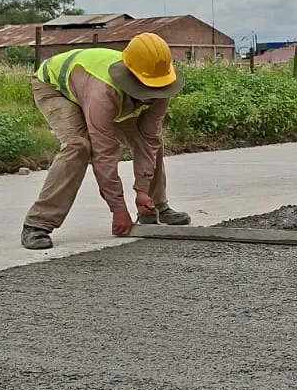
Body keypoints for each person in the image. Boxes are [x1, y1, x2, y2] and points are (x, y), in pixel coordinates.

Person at [20, 33, 190, 251]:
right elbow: (104, 153)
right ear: (131, 78)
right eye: (147, 89)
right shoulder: (104, 92)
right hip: (56, 89)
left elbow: (149, 141)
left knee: (151, 141)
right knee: (78, 146)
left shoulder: (160, 85)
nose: (152, 95)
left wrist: (142, 191)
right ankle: (37, 223)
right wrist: (117, 209)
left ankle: (157, 206)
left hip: (100, 92)